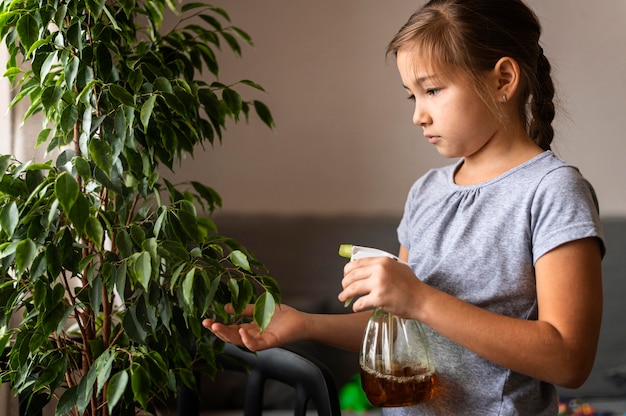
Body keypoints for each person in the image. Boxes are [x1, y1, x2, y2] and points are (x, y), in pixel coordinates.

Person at [203, 0, 605, 414]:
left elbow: (569, 360)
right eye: (411, 96)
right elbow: (403, 328)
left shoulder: (552, 191)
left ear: (503, 78)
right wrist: (304, 323)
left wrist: (420, 299)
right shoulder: (426, 192)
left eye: (432, 90)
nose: (418, 115)